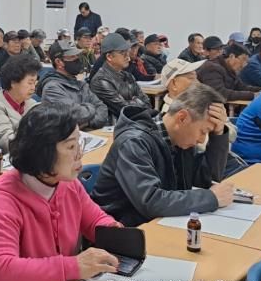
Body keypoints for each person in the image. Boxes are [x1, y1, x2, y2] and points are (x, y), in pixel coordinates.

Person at [0, 104, 120, 281]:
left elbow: (95, 221)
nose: (79, 154)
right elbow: (1, 271)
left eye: (79, 143)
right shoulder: (4, 200)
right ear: (43, 153)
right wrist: (73, 266)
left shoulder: (68, 184)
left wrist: (118, 236)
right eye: (71, 147)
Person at [92, 83, 233, 226]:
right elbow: (150, 201)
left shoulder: (180, 140)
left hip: (159, 221)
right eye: (203, 131)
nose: (202, 140)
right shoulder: (133, 142)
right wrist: (211, 198)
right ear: (182, 118)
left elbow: (205, 180)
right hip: (122, 227)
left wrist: (218, 134)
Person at [38, 40, 108, 129]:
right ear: (59, 62)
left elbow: (102, 108)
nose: (77, 59)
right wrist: (91, 107)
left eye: (77, 55)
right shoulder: (52, 88)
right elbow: (75, 115)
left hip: (90, 134)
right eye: (72, 57)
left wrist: (87, 123)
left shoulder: (81, 84)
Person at [0, 55, 41, 153]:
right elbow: (8, 143)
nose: (33, 88)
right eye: (30, 83)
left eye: (35, 83)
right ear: (13, 83)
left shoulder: (32, 104)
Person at [89, 33, 150, 121]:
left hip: (133, 122)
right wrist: (137, 100)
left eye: (127, 52)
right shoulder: (100, 81)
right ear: (109, 57)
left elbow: (147, 102)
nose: (128, 57)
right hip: (116, 126)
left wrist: (133, 101)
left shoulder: (128, 76)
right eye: (122, 53)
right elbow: (125, 109)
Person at [196, 43, 260, 101]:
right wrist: (252, 95)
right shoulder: (212, 68)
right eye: (243, 59)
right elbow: (219, 93)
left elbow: (241, 87)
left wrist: (260, 90)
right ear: (232, 56)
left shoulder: (230, 68)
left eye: (246, 61)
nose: (244, 65)